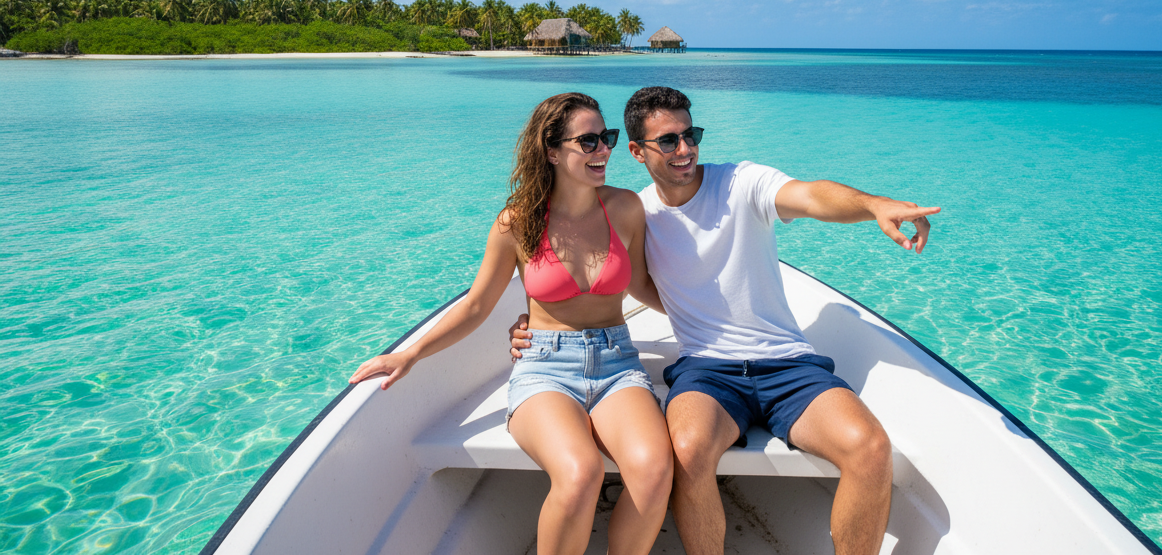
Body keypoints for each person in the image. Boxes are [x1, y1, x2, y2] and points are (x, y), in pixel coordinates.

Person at [512, 85, 939, 555]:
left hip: (788, 365)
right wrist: (537, 321)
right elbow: (609, 278)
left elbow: (812, 196)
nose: (685, 149)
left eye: (690, 134)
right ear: (636, 151)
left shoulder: (742, 182)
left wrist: (873, 205)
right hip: (707, 371)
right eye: (668, 140)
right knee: (688, 451)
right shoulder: (635, 212)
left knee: (871, 449)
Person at [350, 92, 673, 555]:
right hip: (544, 367)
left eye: (607, 138)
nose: (604, 149)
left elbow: (642, 285)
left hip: (617, 362)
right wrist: (409, 354)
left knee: (654, 469)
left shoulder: (625, 208)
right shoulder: (517, 222)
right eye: (589, 141)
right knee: (581, 473)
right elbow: (476, 306)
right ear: (552, 150)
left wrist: (715, 316)